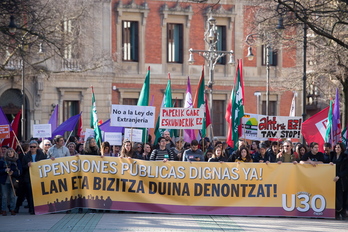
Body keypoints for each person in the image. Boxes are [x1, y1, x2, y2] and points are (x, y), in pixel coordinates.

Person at [21, 140, 47, 214]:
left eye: (34, 147)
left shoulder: (41, 154)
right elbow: (23, 167)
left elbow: (45, 163)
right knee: (30, 194)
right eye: (31, 147)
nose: (32, 148)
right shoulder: (26, 156)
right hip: (29, 178)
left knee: (39, 193)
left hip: (39, 177)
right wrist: (27, 165)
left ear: (37, 147)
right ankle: (31, 209)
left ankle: (40, 208)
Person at [329, 143, 348, 220]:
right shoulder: (332, 156)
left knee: (341, 197)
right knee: (335, 196)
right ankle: (336, 212)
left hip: (341, 180)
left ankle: (342, 212)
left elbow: (346, 170)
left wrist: (339, 176)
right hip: (333, 179)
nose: (337, 148)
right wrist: (330, 164)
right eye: (336, 147)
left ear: (342, 148)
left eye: (339, 147)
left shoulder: (345, 157)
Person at [0, 148, 22, 216]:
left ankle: (12, 209)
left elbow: (20, 171)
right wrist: (5, 170)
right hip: (4, 181)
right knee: (4, 196)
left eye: (11, 152)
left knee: (13, 196)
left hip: (13, 181)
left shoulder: (16, 160)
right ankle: (4, 209)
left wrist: (13, 173)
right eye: (8, 152)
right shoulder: (3, 160)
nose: (10, 153)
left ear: (13, 153)